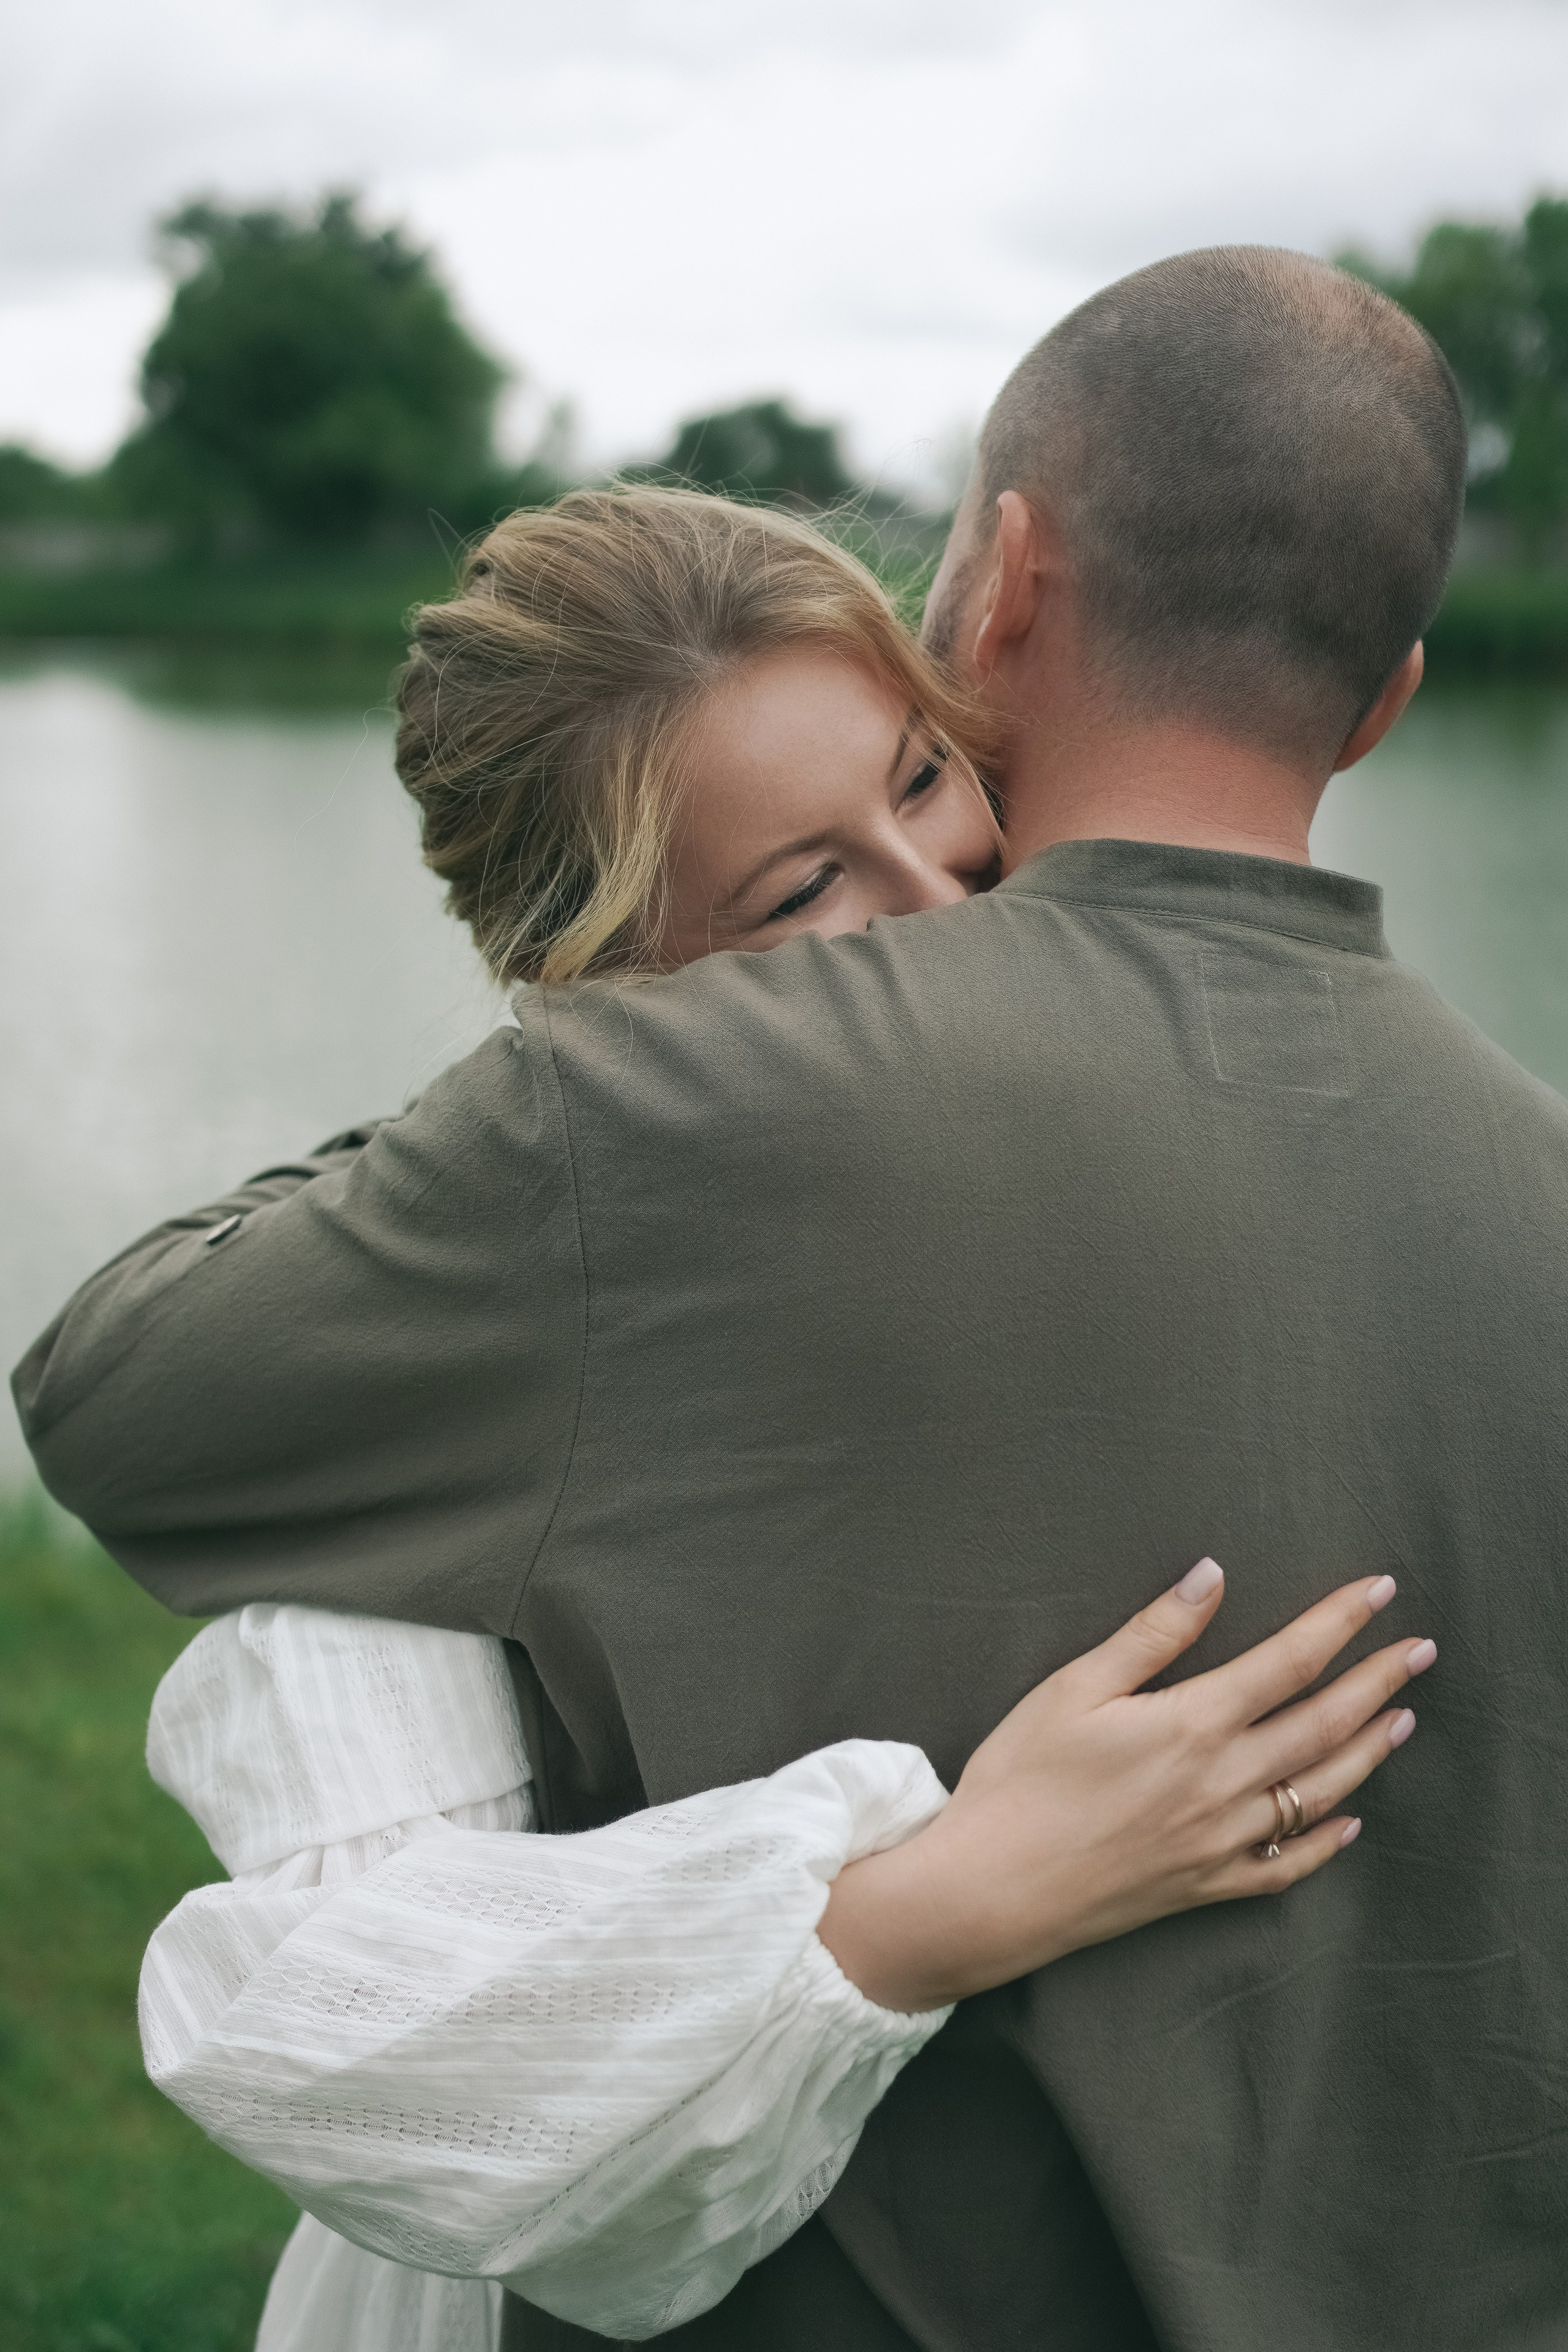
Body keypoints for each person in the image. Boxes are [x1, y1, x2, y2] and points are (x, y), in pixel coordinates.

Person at [18, 244, 1561, 2350]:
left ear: (991, 592)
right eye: (805, 890)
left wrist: (580, 1102)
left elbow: (122, 1391)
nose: (927, 911)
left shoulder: (637, 1160)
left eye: (923, 783)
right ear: (1388, 696)